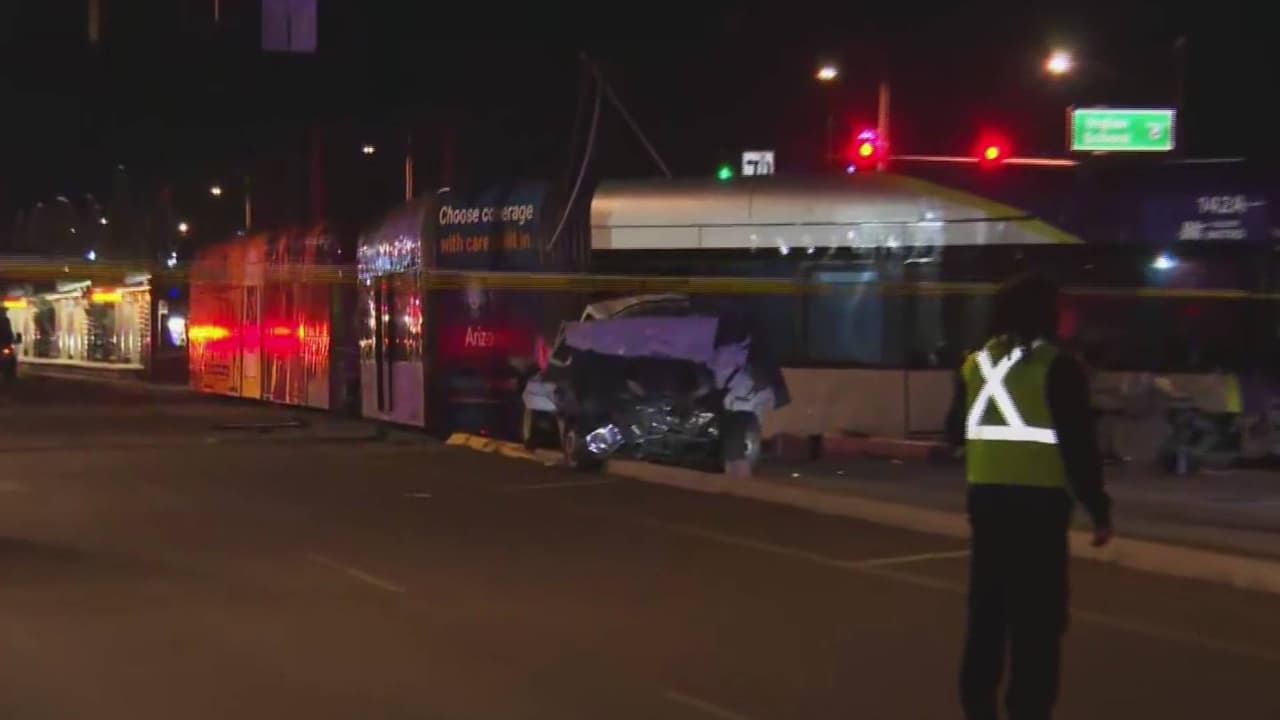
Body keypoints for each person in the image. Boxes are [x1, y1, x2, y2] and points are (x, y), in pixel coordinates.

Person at [945, 271, 1113, 720]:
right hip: (1039, 508)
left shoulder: (973, 364)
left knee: (986, 614)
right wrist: (1099, 510)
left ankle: (977, 708)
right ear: (1047, 315)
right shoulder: (1059, 367)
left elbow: (953, 432)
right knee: (1037, 623)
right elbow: (1079, 446)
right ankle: (1028, 711)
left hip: (986, 503)